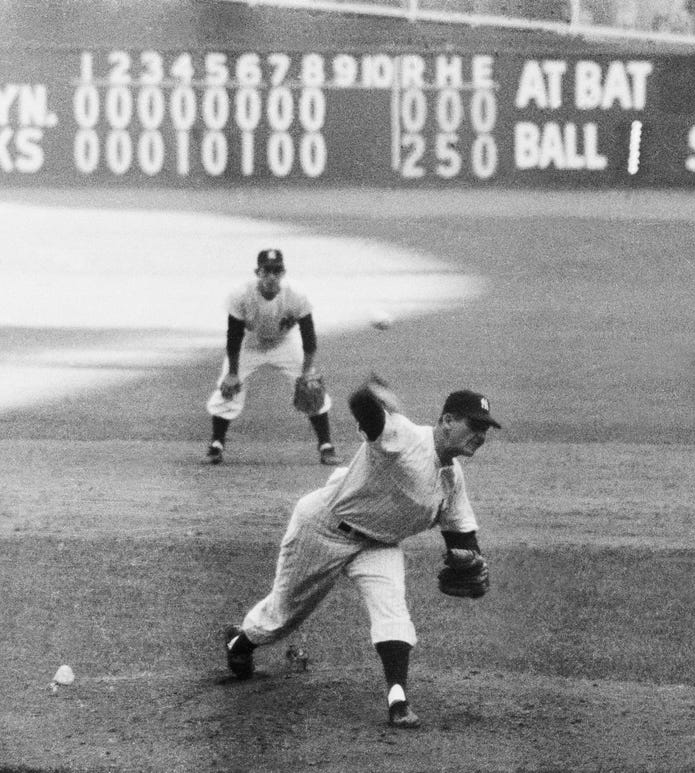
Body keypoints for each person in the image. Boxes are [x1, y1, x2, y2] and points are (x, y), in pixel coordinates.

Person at [222, 377, 501, 729]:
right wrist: (370, 394)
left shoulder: (452, 481)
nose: (481, 435)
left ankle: (397, 699)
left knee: (393, 610)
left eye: (485, 429)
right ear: (447, 421)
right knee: (283, 615)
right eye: (474, 425)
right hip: (324, 527)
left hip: (378, 545)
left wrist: (471, 561)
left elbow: (463, 537)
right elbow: (365, 411)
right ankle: (241, 641)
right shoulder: (404, 436)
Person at [205, 247, 339, 466]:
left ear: (283, 272)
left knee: (312, 389)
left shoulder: (296, 295)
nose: (271, 276)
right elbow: (234, 336)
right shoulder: (241, 295)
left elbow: (309, 338)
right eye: (266, 271)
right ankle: (216, 443)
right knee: (228, 388)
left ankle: (326, 445)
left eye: (276, 271)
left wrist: (306, 372)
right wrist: (232, 373)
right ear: (257, 272)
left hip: (284, 344)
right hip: (250, 343)